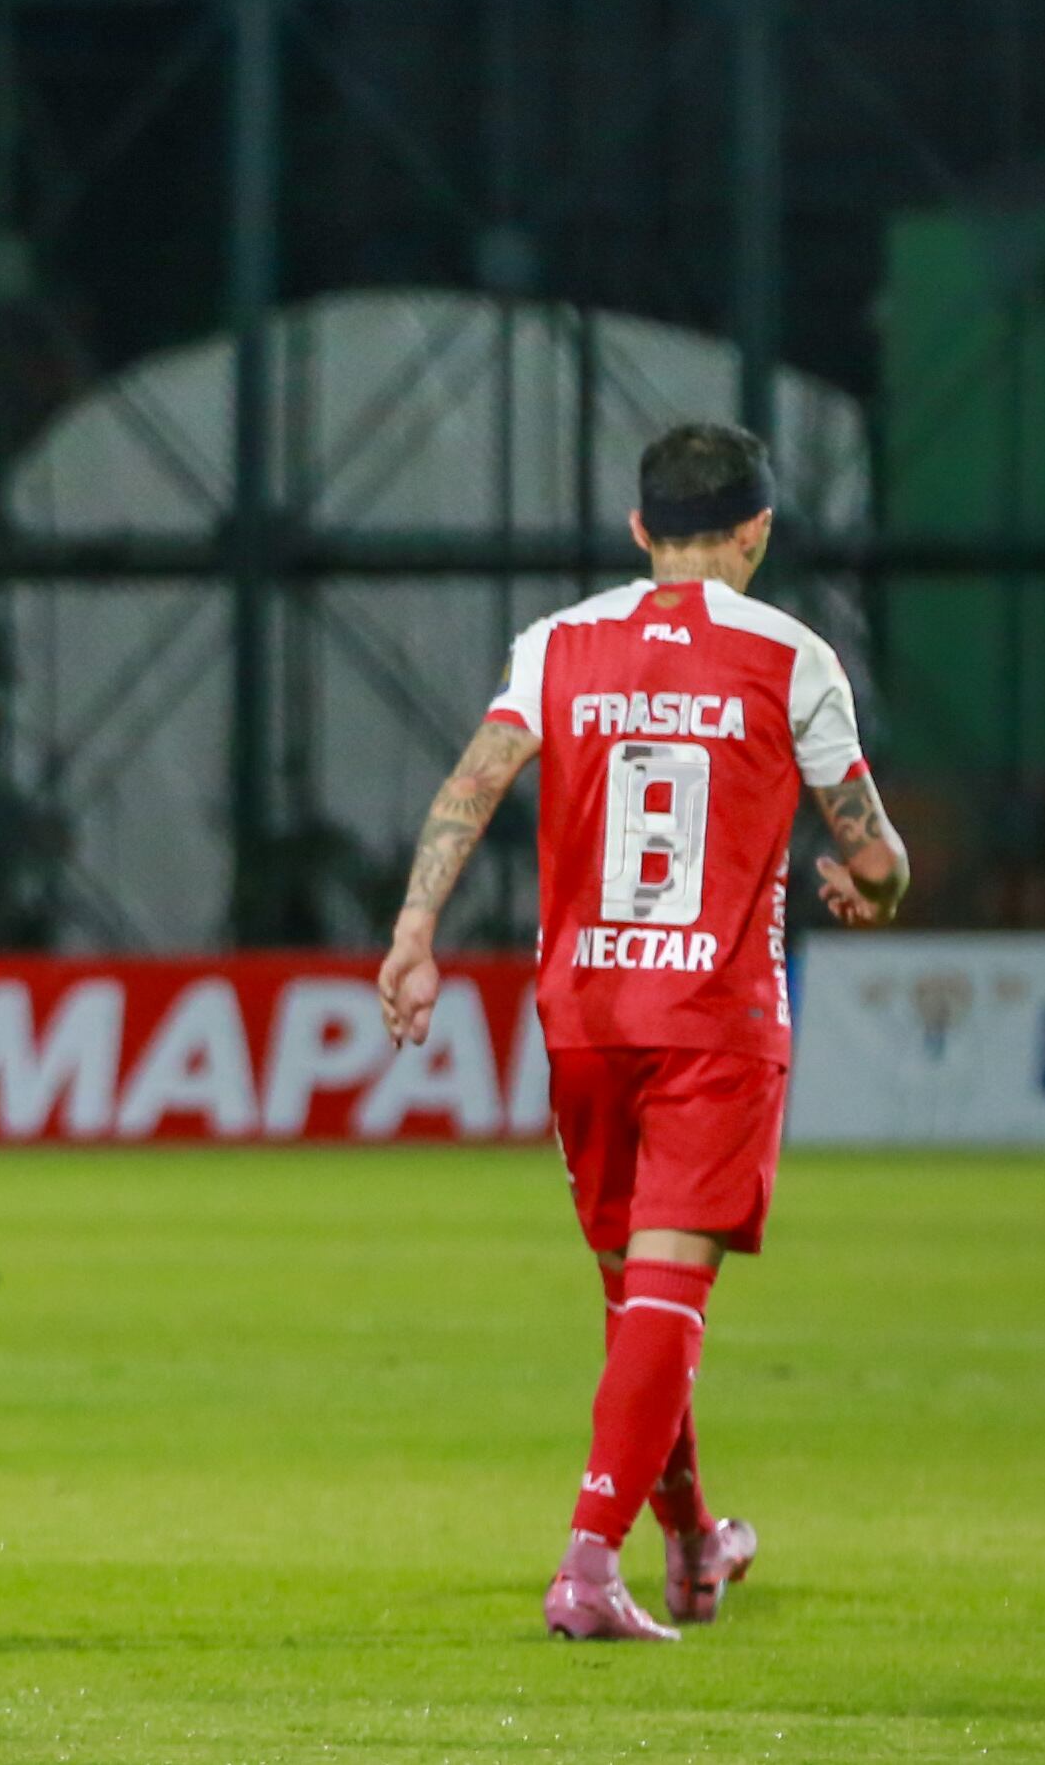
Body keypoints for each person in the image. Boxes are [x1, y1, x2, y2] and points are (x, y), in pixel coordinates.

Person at [375, 421, 909, 1642]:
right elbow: (873, 856)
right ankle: (584, 1563)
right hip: (712, 1018)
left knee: (638, 1309)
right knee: (667, 1299)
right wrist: (864, 886)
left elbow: (474, 779)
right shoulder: (793, 657)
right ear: (755, 531)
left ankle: (689, 1546)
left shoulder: (557, 643)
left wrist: (413, 932)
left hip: (583, 1013)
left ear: (636, 530)